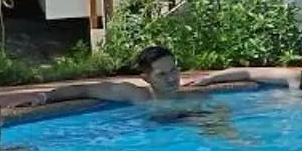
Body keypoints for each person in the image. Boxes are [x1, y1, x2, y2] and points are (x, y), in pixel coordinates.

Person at [43, 45, 255, 129]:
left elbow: (222, 113)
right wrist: (45, 98)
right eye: (162, 74)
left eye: (174, 71)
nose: (172, 79)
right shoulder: (136, 95)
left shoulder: (194, 101)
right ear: (146, 78)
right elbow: (84, 90)